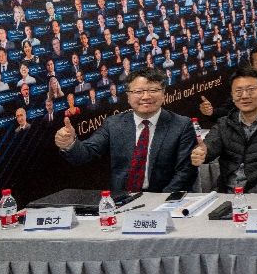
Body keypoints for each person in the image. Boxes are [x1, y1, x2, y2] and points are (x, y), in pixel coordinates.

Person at [55, 67, 197, 195]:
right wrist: (69, 144)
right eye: (138, 92)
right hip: (122, 200)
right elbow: (85, 154)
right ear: (128, 96)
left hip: (164, 199)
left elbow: (185, 173)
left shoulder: (182, 125)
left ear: (163, 94)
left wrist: (160, 202)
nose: (146, 96)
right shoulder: (113, 124)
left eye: (153, 90)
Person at [190, 65, 257, 194]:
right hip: (227, 196)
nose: (245, 96)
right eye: (238, 91)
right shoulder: (224, 123)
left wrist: (248, 198)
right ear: (232, 95)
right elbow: (210, 146)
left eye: (251, 90)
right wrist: (202, 153)